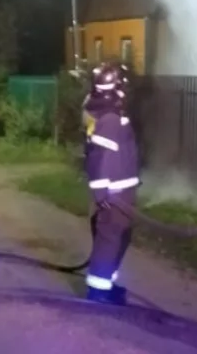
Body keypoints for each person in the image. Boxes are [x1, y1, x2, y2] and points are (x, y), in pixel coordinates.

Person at [82, 61, 139, 305]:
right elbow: (98, 158)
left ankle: (106, 283)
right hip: (115, 194)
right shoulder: (109, 119)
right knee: (109, 239)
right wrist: (101, 193)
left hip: (122, 190)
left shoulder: (111, 116)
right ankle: (98, 291)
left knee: (119, 237)